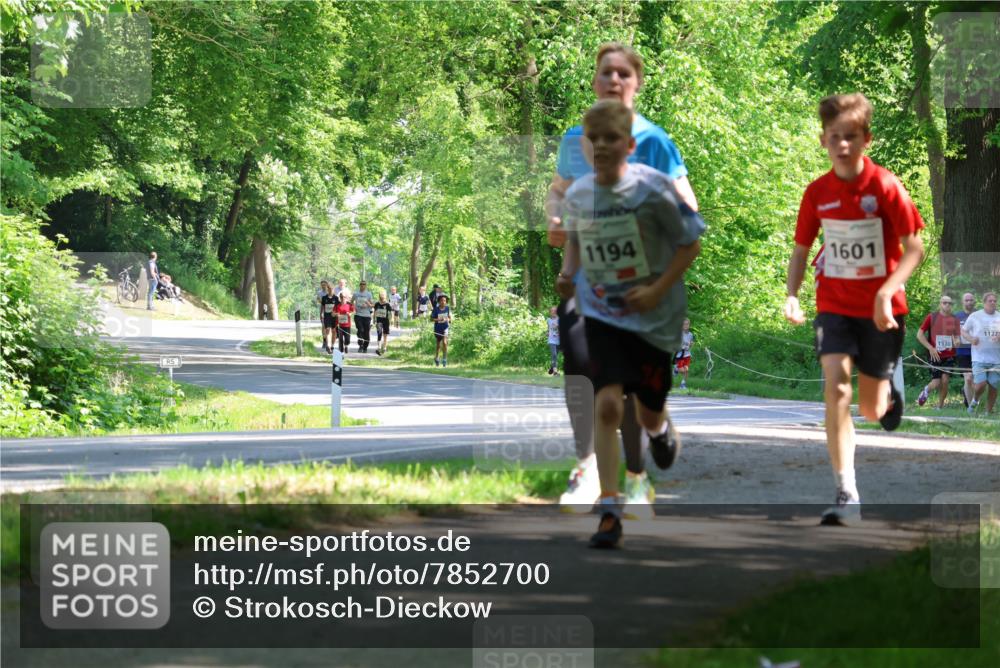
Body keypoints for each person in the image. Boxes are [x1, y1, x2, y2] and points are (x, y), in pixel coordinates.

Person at [546, 42, 699, 519]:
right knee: (579, 361)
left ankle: (637, 473)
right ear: (594, 81)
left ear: (636, 84)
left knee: (636, 386)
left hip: (642, 280)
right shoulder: (577, 138)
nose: (613, 80)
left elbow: (687, 211)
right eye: (604, 73)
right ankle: (588, 467)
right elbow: (559, 191)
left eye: (622, 74)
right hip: (590, 278)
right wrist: (559, 221)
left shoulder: (653, 141)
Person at [784, 93, 925, 526]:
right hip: (834, 305)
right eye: (834, 138)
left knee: (869, 409)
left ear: (867, 139)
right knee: (836, 389)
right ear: (823, 140)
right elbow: (800, 250)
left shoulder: (884, 186)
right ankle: (847, 491)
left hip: (883, 310)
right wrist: (792, 294)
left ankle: (888, 396)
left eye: (851, 137)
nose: (842, 145)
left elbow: (915, 247)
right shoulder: (817, 193)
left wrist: (886, 291)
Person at [916, 296, 962, 409]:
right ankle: (926, 391)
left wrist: (957, 342)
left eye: (950, 303)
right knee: (936, 382)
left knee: (945, 380)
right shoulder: (932, 317)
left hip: (949, 355)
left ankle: (940, 406)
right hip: (935, 354)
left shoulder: (955, 319)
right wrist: (931, 348)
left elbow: (957, 337)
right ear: (940, 304)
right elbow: (919, 335)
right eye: (945, 303)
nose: (947, 305)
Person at [962, 291, 1000, 415]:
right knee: (981, 384)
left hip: (996, 359)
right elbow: (964, 331)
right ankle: (975, 401)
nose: (993, 303)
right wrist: (971, 339)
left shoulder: (999, 316)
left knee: (994, 386)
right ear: (984, 303)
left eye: (995, 301)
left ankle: (988, 412)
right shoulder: (975, 316)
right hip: (979, 358)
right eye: (990, 301)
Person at [955, 292, 976, 406]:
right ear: (962, 302)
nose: (969, 302)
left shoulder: (979, 315)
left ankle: (968, 395)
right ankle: (971, 407)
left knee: (975, 381)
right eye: (966, 300)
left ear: (974, 301)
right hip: (963, 351)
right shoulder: (957, 316)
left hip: (978, 352)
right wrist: (956, 339)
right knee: (968, 379)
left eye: (971, 300)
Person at [353, 280, 374, 353]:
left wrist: (368, 304)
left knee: (366, 332)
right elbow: (351, 302)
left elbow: (372, 305)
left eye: (364, 284)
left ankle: (365, 347)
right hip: (358, 315)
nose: (362, 285)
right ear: (359, 285)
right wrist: (353, 308)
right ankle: (361, 345)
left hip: (367, 315)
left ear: (366, 286)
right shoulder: (356, 294)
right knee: (360, 330)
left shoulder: (369, 294)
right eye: (361, 284)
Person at [431, 294, 451, 366]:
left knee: (445, 342)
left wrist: (449, 320)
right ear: (439, 301)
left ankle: (444, 359)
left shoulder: (447, 308)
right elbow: (431, 319)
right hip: (438, 328)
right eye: (442, 300)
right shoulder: (436, 309)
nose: (443, 302)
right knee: (438, 345)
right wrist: (439, 319)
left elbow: (449, 316)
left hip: (445, 327)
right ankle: (437, 357)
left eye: (445, 301)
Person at [674, 318, 694, 390]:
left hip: (687, 355)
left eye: (687, 324)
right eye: (684, 324)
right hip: (680, 355)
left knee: (686, 370)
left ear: (689, 325)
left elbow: (691, 343)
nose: (686, 326)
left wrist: (690, 345)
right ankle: (676, 368)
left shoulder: (691, 335)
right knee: (682, 370)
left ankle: (683, 384)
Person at [334, 291, 354, 355]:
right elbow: (332, 313)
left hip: (347, 325)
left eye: (344, 297)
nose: (343, 298)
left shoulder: (349, 304)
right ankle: (341, 352)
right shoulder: (337, 305)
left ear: (347, 297)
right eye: (341, 297)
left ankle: (346, 345)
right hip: (339, 325)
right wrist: (336, 314)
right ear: (340, 298)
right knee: (340, 339)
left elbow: (353, 311)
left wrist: (350, 314)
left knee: (347, 339)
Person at [320, 283, 338, 354]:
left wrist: (336, 314)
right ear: (327, 289)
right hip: (327, 316)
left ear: (333, 289)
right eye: (329, 289)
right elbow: (322, 307)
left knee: (334, 331)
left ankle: (332, 345)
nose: (330, 290)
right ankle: (328, 345)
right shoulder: (324, 298)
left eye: (331, 289)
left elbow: (338, 308)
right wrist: (321, 314)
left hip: (334, 317)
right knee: (328, 330)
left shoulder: (336, 298)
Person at [374, 290, 391, 356]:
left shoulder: (387, 304)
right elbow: (375, 312)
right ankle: (379, 347)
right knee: (379, 333)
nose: (382, 298)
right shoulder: (377, 304)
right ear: (379, 296)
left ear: (385, 296)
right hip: (379, 321)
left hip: (386, 321)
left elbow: (390, 313)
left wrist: (391, 320)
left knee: (385, 334)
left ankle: (384, 347)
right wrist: (374, 320)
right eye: (381, 296)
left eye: (383, 296)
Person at [546, 306, 560, 375]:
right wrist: (547, 332)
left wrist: (558, 326)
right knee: (554, 355)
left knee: (555, 356)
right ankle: (555, 371)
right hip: (551, 340)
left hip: (558, 341)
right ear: (550, 313)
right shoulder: (548, 320)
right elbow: (548, 328)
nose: (554, 312)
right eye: (552, 311)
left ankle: (551, 368)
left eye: (555, 311)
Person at [317, 280, 331, 345]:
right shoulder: (319, 293)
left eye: (324, 285)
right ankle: (324, 341)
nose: (323, 286)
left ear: (327, 285)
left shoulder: (330, 292)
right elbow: (318, 300)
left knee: (328, 328)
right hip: (323, 311)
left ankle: (327, 339)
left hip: (330, 311)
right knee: (323, 326)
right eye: (322, 285)